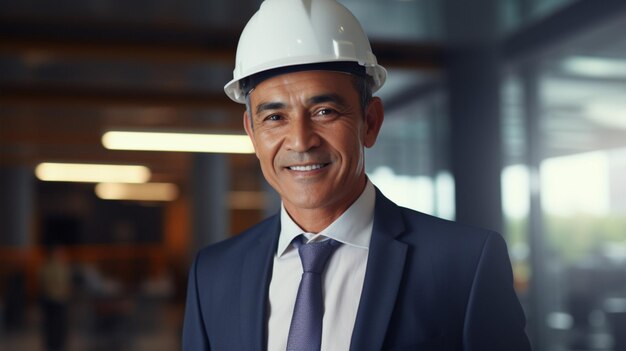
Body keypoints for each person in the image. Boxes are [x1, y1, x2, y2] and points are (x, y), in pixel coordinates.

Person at [182, 0, 532, 350]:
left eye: (324, 111)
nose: (301, 140)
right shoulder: (213, 273)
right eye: (275, 117)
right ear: (253, 133)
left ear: (371, 122)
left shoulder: (465, 264)